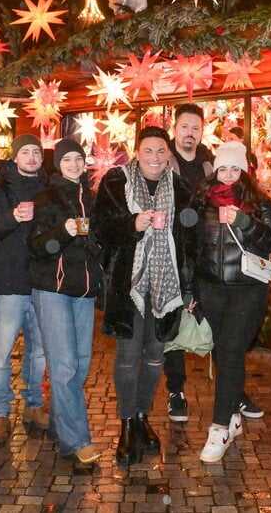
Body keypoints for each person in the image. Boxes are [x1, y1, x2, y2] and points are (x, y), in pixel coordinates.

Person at [94, 126, 199, 465]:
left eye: (160, 151)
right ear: (137, 152)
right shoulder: (115, 182)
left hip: (166, 289)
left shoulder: (180, 189)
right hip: (129, 287)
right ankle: (126, 426)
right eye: (148, 151)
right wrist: (131, 224)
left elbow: (190, 242)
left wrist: (190, 288)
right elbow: (99, 230)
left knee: (156, 358)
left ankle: (141, 418)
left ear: (168, 155)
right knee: (128, 356)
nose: (155, 158)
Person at [166, 104, 263, 422]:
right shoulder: (162, 161)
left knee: (224, 335)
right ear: (175, 127)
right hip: (171, 251)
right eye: (184, 127)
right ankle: (176, 391)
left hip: (205, 255)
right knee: (173, 324)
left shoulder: (212, 164)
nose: (190, 133)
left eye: (195, 127)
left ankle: (232, 392)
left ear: (201, 130)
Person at [194, 141, 271, 463]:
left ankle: (219, 428)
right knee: (222, 351)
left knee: (231, 352)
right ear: (215, 170)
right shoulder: (203, 201)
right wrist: (193, 292)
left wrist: (245, 223)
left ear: (244, 170)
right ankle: (233, 412)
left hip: (247, 289)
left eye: (235, 168)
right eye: (223, 168)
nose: (229, 174)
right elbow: (193, 247)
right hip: (211, 289)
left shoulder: (260, 203)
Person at [29, 138, 104, 463]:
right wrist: (64, 231)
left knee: (81, 364)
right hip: (53, 290)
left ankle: (61, 427)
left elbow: (100, 242)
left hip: (84, 291)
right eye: (67, 159)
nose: (74, 164)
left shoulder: (91, 197)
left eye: (78, 158)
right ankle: (78, 441)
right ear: (57, 164)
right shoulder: (46, 196)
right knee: (65, 367)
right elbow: (36, 245)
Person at [0, 134, 49, 445]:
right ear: (15, 157)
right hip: (9, 282)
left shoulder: (49, 188)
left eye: (36, 152)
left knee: (40, 351)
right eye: (25, 152)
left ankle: (33, 406)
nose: (31, 157)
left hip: (43, 282)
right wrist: (12, 217)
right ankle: (1, 413)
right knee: (1, 353)